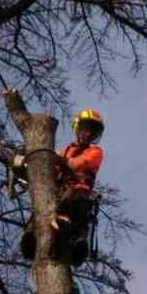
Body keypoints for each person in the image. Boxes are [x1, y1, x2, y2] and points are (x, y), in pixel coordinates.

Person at [21, 109, 105, 265]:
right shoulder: (66, 150)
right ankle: (31, 235)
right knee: (42, 209)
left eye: (91, 132)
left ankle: (79, 244)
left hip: (79, 194)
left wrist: (60, 161)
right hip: (58, 192)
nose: (87, 134)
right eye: (84, 129)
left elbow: (80, 163)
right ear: (77, 128)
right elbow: (51, 171)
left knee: (77, 215)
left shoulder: (95, 152)